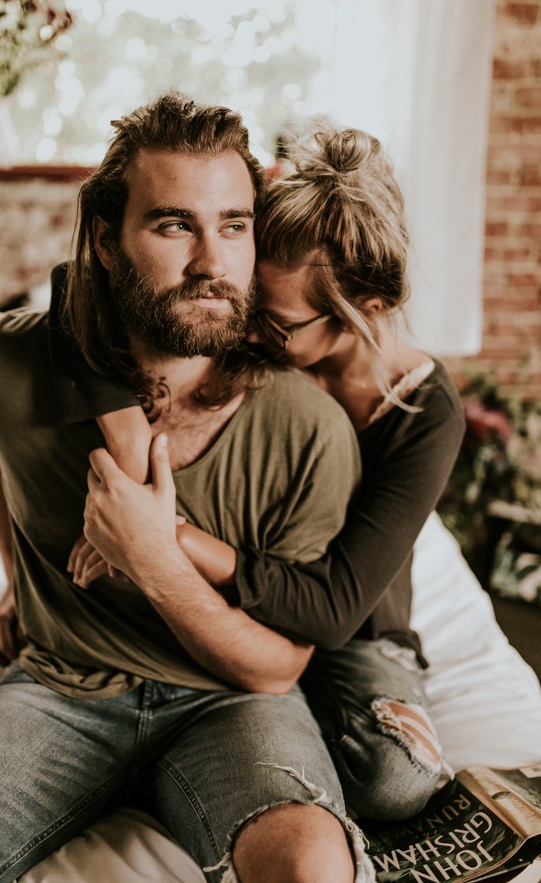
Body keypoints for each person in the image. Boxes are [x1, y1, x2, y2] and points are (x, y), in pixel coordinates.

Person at [0, 94, 370, 883]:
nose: (212, 262)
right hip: (60, 683)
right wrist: (16, 577)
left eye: (234, 226)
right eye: (175, 225)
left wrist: (152, 556)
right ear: (107, 241)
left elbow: (275, 670)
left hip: (232, 703)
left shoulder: (310, 430)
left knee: (315, 867)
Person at [65, 122, 466, 824]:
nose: (247, 334)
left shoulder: (425, 412)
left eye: (274, 326)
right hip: (236, 610)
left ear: (363, 311)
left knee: (397, 780)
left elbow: (337, 608)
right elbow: (72, 288)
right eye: (252, 308)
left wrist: (166, 536)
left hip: (351, 625)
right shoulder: (253, 344)